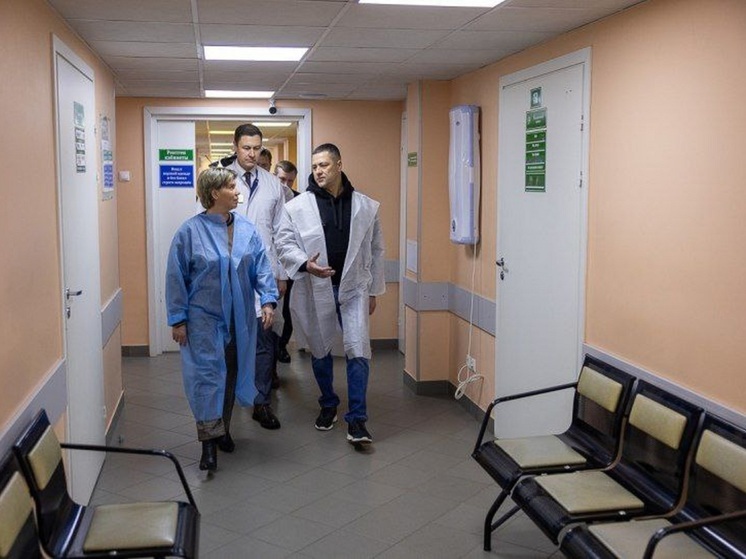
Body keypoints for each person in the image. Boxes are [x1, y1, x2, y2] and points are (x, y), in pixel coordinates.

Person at [166, 167, 278, 472]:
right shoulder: (189, 232)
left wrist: (268, 300)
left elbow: (261, 267)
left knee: (230, 374)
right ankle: (208, 444)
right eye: (231, 186)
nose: (238, 191)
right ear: (215, 193)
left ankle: (223, 429)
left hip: (238, 318)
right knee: (207, 377)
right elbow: (176, 277)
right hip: (202, 319)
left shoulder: (246, 230)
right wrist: (178, 319)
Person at [277, 143, 385, 445]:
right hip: (316, 288)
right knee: (320, 348)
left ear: (339, 165)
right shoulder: (297, 206)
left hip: (355, 287)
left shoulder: (365, 206)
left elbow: (377, 249)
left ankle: (357, 420)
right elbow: (283, 243)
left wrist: (374, 290)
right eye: (314, 166)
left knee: (358, 349)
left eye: (324, 165)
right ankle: (328, 404)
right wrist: (305, 264)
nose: (318, 171)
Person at [215, 124, 287, 429]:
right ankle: (225, 409)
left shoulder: (273, 184)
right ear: (235, 146)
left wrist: (281, 274)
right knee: (230, 345)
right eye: (246, 148)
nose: (252, 154)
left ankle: (261, 402)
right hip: (229, 275)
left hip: (263, 274)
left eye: (257, 148)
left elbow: (282, 232)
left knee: (264, 341)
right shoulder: (220, 179)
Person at [274, 160, 299, 363]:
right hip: (269, 262)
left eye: (290, 181)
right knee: (270, 308)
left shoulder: (298, 201)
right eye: (282, 179)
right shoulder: (267, 197)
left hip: (290, 265)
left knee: (289, 309)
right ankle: (269, 350)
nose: (286, 185)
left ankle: (281, 346)